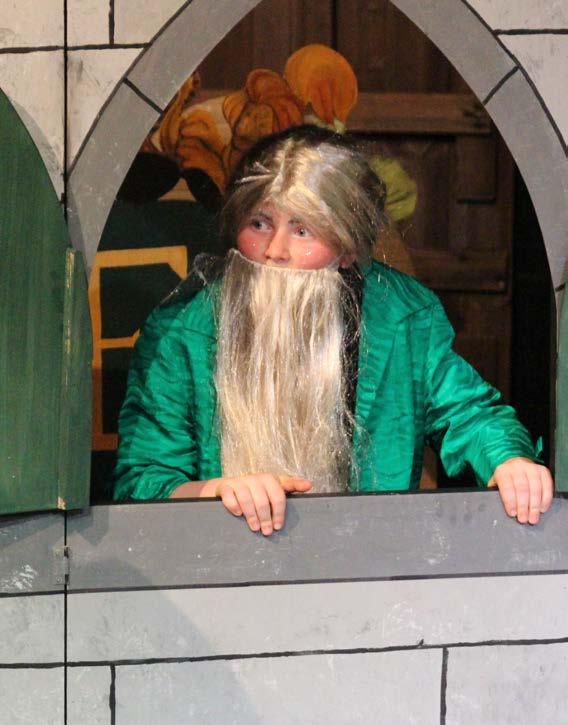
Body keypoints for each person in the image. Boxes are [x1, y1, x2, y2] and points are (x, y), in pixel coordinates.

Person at [114, 125, 553, 535]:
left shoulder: (403, 318)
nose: (274, 251)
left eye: (302, 230)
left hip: (368, 556)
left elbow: (470, 415)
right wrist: (217, 492)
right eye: (259, 224)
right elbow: (144, 481)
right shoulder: (181, 331)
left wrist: (509, 461)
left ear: (347, 249)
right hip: (219, 561)